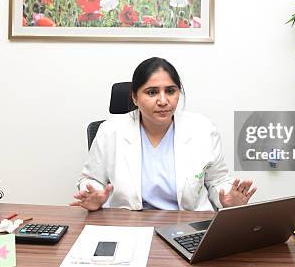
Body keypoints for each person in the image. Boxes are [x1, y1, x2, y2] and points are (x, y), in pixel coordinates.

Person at [71, 57, 256, 211]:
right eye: (152, 92)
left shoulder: (202, 128)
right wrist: (93, 196)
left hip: (188, 227)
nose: (163, 100)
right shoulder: (110, 131)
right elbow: (92, 179)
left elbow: (217, 181)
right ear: (134, 97)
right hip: (129, 226)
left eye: (170, 91)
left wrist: (227, 199)